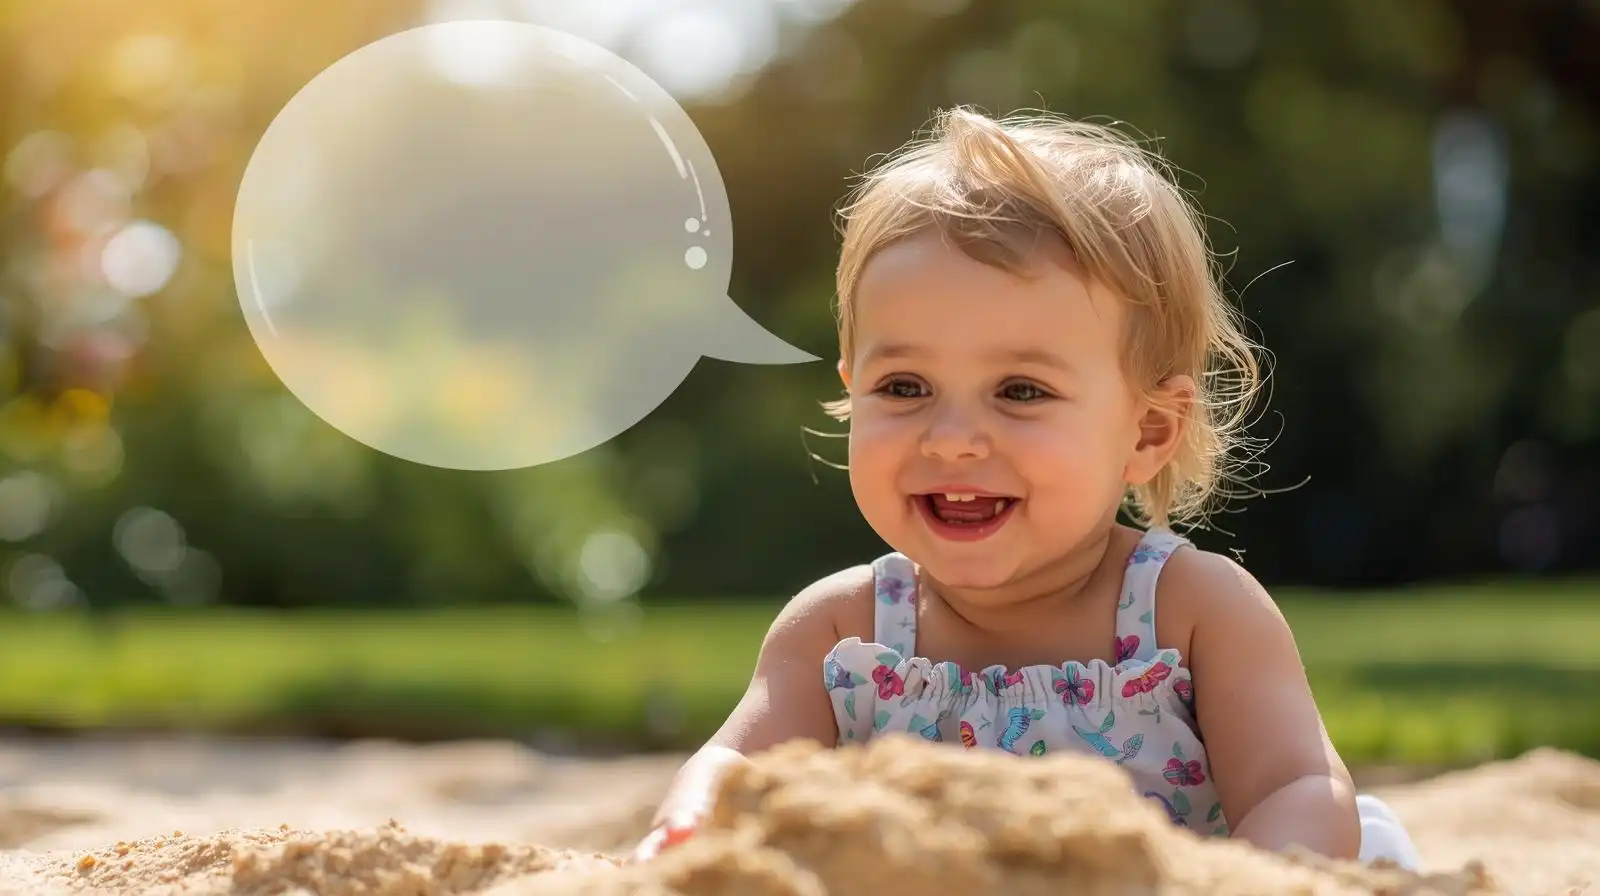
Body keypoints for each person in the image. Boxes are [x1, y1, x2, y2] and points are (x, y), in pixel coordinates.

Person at [631, 107, 1423, 872]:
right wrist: (687, 827)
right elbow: (735, 767)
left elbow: (1296, 787)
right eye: (904, 387)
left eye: (1020, 391)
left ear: (1147, 430)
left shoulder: (1191, 613)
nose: (951, 438)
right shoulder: (843, 631)